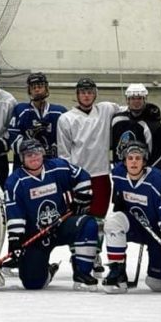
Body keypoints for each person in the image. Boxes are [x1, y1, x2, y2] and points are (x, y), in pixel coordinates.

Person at [5, 139, 99, 291]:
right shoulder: (15, 181)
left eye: (37, 153)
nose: (34, 158)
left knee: (87, 224)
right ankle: (47, 270)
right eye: (29, 155)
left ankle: (82, 273)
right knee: (32, 283)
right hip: (35, 234)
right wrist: (15, 239)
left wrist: (81, 198)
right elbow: (15, 212)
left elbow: (82, 176)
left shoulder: (57, 167)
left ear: (43, 154)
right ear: (22, 158)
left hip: (60, 225)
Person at [56, 78, 121, 270]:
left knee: (98, 220)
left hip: (101, 174)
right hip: (79, 177)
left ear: (95, 93)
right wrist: (69, 178)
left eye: (90, 91)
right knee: (78, 218)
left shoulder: (106, 109)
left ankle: (95, 255)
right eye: (83, 92)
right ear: (77, 95)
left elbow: (130, 108)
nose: (86, 95)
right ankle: (77, 254)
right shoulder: (66, 119)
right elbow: (64, 153)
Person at [101, 141, 161, 293]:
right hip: (137, 226)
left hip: (159, 231)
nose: (134, 162)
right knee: (113, 221)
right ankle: (117, 271)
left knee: (158, 284)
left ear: (144, 161)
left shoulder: (158, 179)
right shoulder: (118, 174)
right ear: (124, 161)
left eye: (138, 158)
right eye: (130, 158)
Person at [8, 72, 67, 165]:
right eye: (33, 87)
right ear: (29, 90)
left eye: (40, 86)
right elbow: (12, 137)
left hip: (53, 164)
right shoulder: (20, 110)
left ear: (46, 88)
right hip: (27, 165)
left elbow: (66, 140)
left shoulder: (60, 112)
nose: (37, 89)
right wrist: (30, 141)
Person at [110, 83, 161, 167]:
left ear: (145, 99)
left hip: (143, 174)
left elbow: (157, 157)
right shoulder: (117, 120)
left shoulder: (154, 126)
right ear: (127, 100)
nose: (136, 101)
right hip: (120, 172)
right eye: (132, 98)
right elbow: (111, 146)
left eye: (139, 98)